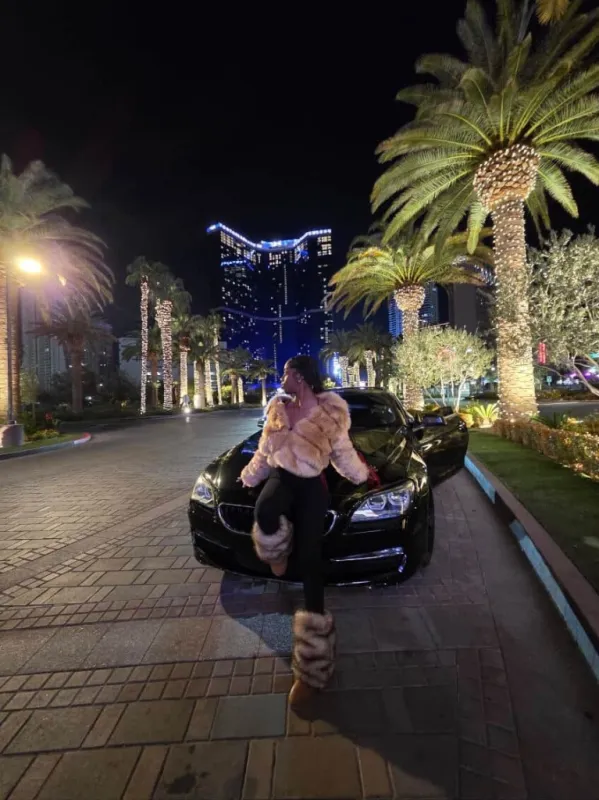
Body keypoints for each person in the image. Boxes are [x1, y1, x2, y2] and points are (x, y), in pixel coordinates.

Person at [240, 355, 372, 705]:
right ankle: (278, 551)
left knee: (312, 563)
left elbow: (343, 454)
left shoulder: (330, 414)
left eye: (285, 373)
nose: (281, 378)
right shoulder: (279, 409)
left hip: (312, 487)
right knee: (265, 510)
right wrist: (249, 476)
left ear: (298, 376)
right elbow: (264, 452)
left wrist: (361, 476)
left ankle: (313, 669)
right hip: (281, 479)